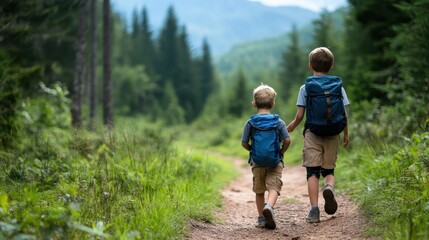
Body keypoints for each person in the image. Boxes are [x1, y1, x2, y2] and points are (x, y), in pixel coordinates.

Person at [287, 47, 350, 223]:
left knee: (312, 172)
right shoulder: (338, 86)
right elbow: (344, 113)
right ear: (331, 67)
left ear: (310, 66)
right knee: (329, 170)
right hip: (333, 133)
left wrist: (291, 126)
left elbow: (300, 115)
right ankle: (328, 186)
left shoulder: (305, 87)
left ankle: (314, 210)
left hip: (313, 133)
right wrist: (346, 133)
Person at [241, 84, 291, 229]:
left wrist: (252, 150)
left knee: (259, 190)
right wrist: (281, 151)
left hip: (257, 162)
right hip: (275, 161)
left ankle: (261, 218)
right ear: (273, 104)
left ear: (254, 103)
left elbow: (244, 142)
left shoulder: (250, 123)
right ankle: (269, 206)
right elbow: (287, 140)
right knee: (274, 186)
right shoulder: (279, 122)